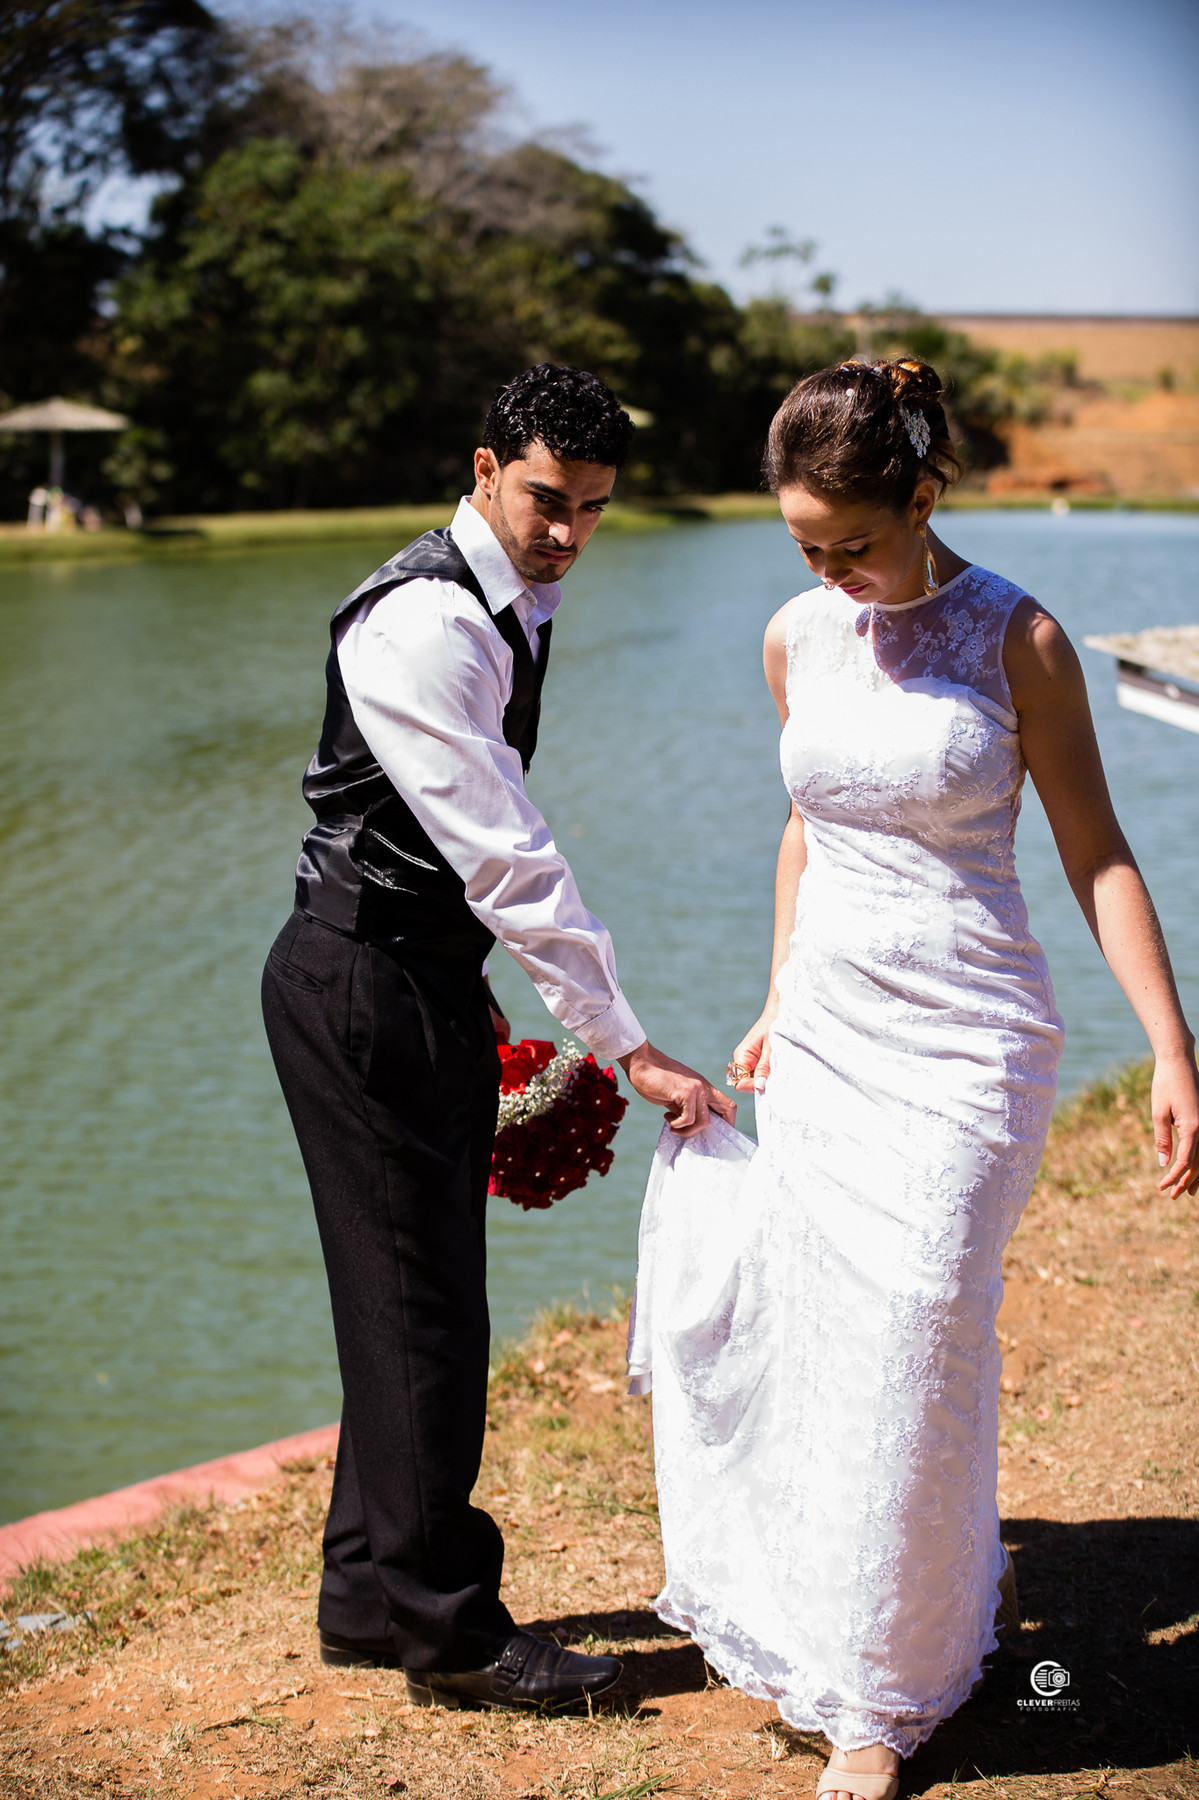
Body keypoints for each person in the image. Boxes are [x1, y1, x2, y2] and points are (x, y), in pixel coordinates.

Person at [632, 358, 1199, 1799]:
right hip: (826, 1032)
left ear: (926, 498)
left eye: (856, 545)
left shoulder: (1023, 637)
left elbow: (1099, 850)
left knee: (923, 1320)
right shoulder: (793, 637)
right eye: (806, 547)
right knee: (843, 1336)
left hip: (971, 1041)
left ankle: (886, 1686)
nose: (833, 575)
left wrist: (1173, 1048)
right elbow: (806, 826)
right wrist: (771, 995)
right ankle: (889, 1653)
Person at [261, 363, 732, 1711]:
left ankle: (367, 1591)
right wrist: (624, 1041)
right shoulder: (427, 623)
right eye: (544, 498)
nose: (568, 531)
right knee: (424, 1309)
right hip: (360, 981)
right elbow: (508, 858)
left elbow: (469, 863)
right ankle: (451, 1632)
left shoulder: (516, 596)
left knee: (400, 1292)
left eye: (592, 507)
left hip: (413, 972)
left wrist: (486, 999)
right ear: (482, 470)